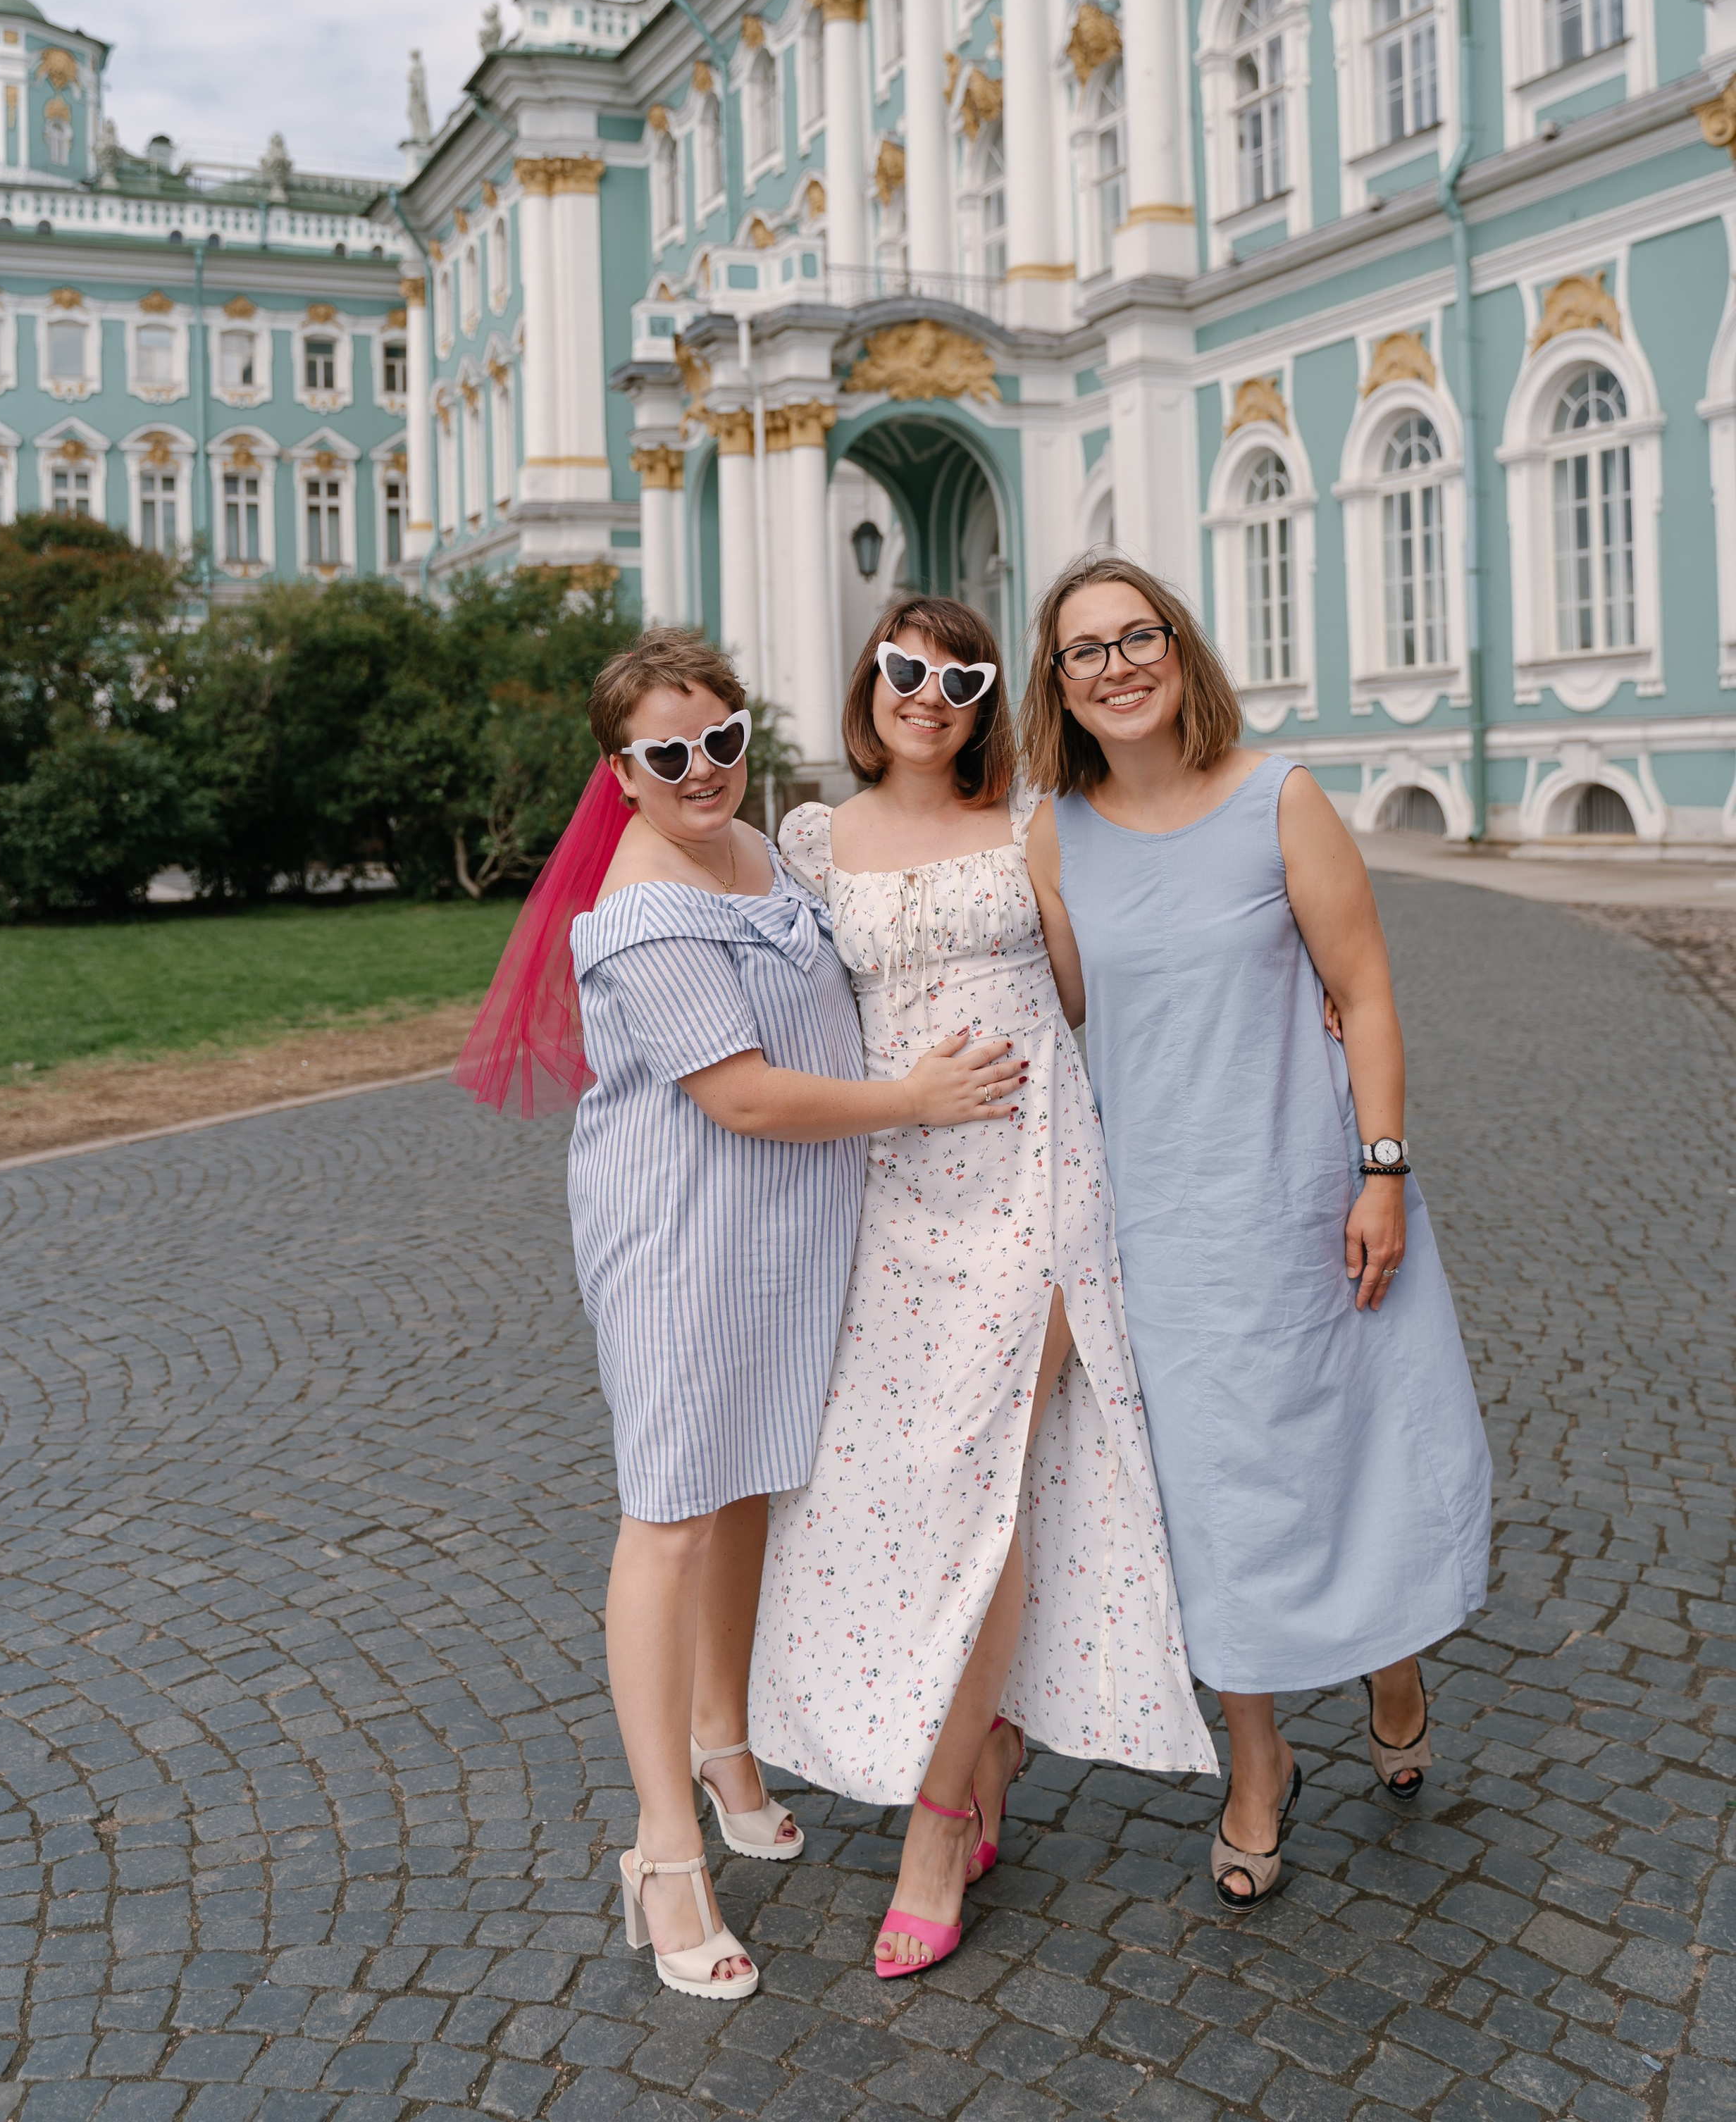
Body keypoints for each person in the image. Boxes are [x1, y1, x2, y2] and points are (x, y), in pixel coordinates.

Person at [551, 628, 1020, 2002]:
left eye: (722, 740)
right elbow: (742, 1095)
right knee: (671, 1515)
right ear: (619, 774)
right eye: (667, 754)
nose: (702, 770)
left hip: (784, 1235)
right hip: (681, 1242)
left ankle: (725, 1743)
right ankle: (663, 1851)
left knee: (752, 1487)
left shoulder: (760, 851)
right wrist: (910, 1106)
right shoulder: (643, 907)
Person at [1019, 552, 1493, 1910]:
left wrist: (1383, 1171)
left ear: (1180, 648)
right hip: (1160, 1233)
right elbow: (1059, 1027)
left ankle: (1391, 1662)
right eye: (1083, 652)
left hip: (1309, 1201)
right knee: (1212, 1508)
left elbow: (1369, 989)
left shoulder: (1279, 800)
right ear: (1059, 685)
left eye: (1136, 637)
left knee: (1355, 1457)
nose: (1115, 667)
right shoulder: (1056, 836)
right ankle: (1256, 1761)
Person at [750, 597, 1215, 1979]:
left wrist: (1290, 994)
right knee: (891, 1487)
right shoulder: (809, 841)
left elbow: (1114, 988)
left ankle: (940, 1819)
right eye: (904, 667)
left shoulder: (1032, 826)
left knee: (988, 1482)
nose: (928, 691)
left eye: (960, 674)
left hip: (1033, 1187)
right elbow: (777, 1014)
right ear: (868, 680)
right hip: (887, 1204)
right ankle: (990, 1739)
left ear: (985, 697)